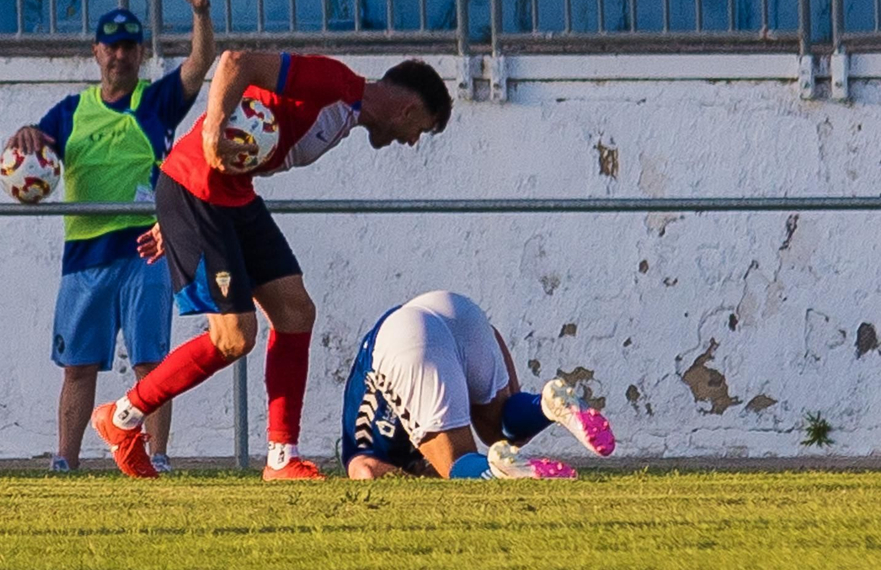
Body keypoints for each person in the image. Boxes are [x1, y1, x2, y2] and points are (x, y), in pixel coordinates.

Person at [93, 50, 452, 479]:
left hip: (229, 197)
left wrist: (173, 217)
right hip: (199, 194)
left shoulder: (344, 114)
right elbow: (234, 62)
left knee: (296, 312)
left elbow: (247, 144)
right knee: (234, 337)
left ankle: (281, 458)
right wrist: (208, 135)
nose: (412, 140)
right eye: (420, 130)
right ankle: (122, 417)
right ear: (409, 109)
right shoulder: (331, 82)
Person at [4, 0, 217, 473]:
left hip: (146, 250)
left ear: (140, 53)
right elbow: (34, 144)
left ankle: (157, 458)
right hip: (85, 255)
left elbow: (200, 61)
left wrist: (200, 11)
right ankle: (65, 461)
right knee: (78, 367)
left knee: (152, 364)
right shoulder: (71, 110)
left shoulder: (156, 102)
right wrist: (26, 134)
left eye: (129, 46)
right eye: (110, 46)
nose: (119, 55)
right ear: (97, 53)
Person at [341, 290, 616, 479]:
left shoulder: (364, 443)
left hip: (406, 340)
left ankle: (499, 473)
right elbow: (492, 334)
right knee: (502, 431)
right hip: (456, 310)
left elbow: (363, 470)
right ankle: (545, 404)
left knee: (459, 463)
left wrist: (412, 471)